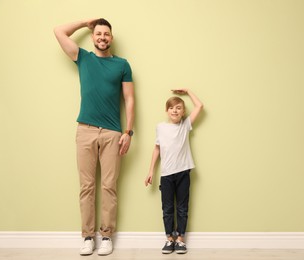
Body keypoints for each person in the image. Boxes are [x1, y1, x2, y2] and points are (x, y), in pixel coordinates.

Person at [53, 18, 135, 256]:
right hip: (85, 130)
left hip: (112, 132)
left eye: (106, 34)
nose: (102, 37)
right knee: (86, 187)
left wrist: (128, 132)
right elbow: (58, 31)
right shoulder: (83, 57)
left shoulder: (122, 65)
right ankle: (88, 236)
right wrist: (84, 22)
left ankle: (106, 236)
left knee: (109, 186)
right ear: (93, 37)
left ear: (111, 38)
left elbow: (129, 99)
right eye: (98, 33)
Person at [145, 89, 203, 254]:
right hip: (166, 174)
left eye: (178, 108)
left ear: (183, 112)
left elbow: (200, 106)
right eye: (172, 108)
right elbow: (157, 149)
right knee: (167, 208)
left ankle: (180, 240)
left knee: (182, 208)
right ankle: (169, 238)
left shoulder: (185, 125)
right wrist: (151, 171)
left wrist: (187, 91)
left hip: (183, 172)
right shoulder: (160, 127)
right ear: (167, 110)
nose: (175, 110)